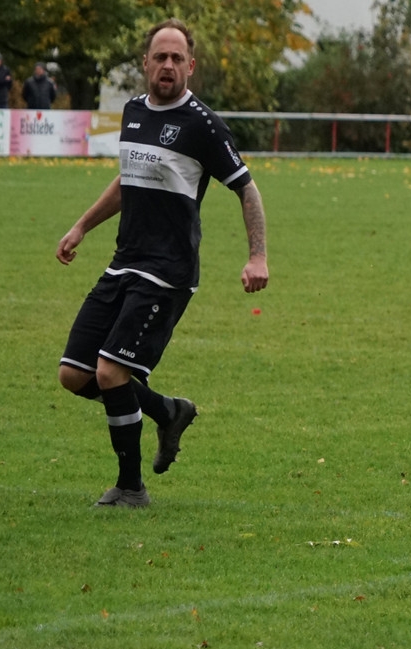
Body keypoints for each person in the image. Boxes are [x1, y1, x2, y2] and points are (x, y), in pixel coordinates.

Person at [55, 18, 269, 507]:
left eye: (177, 58)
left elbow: (246, 188)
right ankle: (168, 411)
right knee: (74, 375)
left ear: (190, 66)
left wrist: (257, 256)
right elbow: (127, 179)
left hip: (168, 272)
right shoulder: (133, 111)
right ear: (145, 63)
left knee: (110, 372)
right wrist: (82, 226)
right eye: (160, 57)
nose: (168, 65)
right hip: (124, 263)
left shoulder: (203, 125)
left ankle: (130, 487)